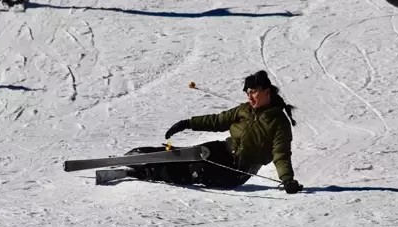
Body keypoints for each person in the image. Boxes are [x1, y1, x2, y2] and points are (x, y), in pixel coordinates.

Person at [126, 71, 304, 194]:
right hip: (223, 149)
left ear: (267, 91)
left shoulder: (279, 122)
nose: (250, 97)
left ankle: (146, 172)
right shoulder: (244, 110)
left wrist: (287, 179)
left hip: (239, 169)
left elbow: (281, 153)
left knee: (195, 170)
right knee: (186, 155)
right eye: (248, 93)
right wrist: (187, 123)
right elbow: (217, 121)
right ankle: (142, 155)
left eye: (254, 92)